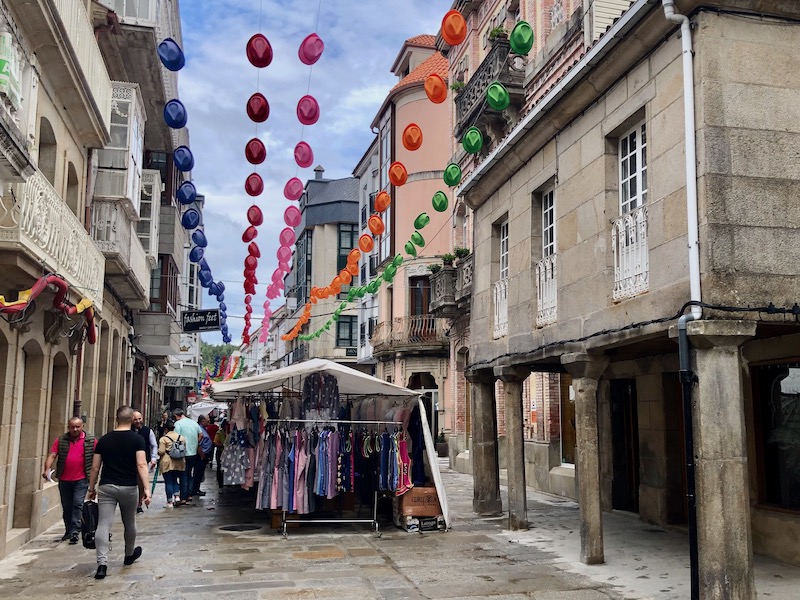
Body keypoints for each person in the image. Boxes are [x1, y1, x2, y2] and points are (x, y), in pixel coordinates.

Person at [88, 405, 151, 580]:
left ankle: (102, 564)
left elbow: (95, 467)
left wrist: (91, 488)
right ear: (132, 419)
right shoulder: (137, 440)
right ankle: (129, 555)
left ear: (116, 419)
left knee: (103, 524)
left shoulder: (104, 440)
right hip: (129, 487)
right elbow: (141, 464)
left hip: (107, 486)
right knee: (129, 522)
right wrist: (146, 488)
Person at [41, 417, 96, 544]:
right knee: (67, 506)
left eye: (78, 427)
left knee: (77, 504)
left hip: (81, 479)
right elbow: (53, 454)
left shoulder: (90, 441)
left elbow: (98, 456)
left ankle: (75, 531)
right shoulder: (61, 440)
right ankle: (68, 530)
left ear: (82, 426)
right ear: (68, 427)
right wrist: (47, 469)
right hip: (64, 479)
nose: (75, 429)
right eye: (72, 427)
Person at [172, 408, 203, 503]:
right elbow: (201, 434)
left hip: (183, 453)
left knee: (183, 475)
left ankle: (183, 497)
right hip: (193, 453)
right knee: (190, 473)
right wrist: (195, 443)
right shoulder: (194, 423)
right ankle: (190, 495)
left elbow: (176, 437)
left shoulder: (178, 424)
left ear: (177, 416)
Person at [132, 411, 158, 514]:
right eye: (135, 419)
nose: (138, 421)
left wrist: (153, 458)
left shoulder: (148, 431)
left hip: (143, 461)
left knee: (141, 483)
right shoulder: (129, 430)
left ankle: (138, 504)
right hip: (129, 462)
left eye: (139, 419)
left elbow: (154, 445)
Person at [157, 419, 185, 507]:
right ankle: (177, 497)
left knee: (168, 481)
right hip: (179, 462)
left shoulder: (163, 439)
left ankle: (169, 502)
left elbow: (161, 451)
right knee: (175, 480)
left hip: (167, 462)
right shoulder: (181, 437)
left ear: (166, 429)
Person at [195, 415, 213, 497]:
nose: (209, 421)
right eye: (207, 420)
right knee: (198, 473)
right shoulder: (200, 430)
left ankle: (196, 489)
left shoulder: (203, 429)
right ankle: (195, 490)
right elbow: (198, 444)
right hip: (201, 455)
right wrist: (202, 456)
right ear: (202, 421)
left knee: (200, 473)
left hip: (203, 455)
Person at [213, 419, 227, 487]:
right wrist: (223, 445)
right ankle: (220, 485)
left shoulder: (229, 433)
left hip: (227, 453)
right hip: (220, 452)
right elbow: (215, 443)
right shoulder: (219, 433)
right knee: (220, 469)